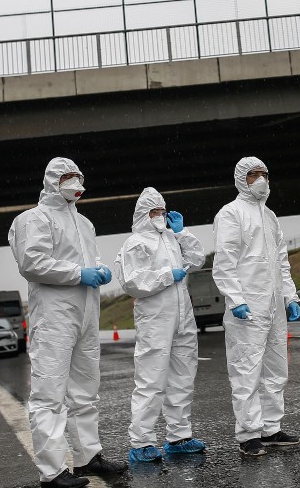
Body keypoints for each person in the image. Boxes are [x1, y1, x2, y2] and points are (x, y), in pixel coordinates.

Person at [8, 157, 128, 488]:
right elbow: (32, 263)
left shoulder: (85, 223)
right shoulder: (33, 219)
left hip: (86, 314)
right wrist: (79, 273)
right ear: (52, 181)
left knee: (86, 391)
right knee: (49, 394)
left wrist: (100, 269)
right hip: (54, 316)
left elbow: (90, 258)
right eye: (67, 177)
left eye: (78, 177)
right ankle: (52, 472)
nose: (75, 183)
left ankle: (88, 456)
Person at [213, 156, 300, 457]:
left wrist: (290, 296)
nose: (261, 180)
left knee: (277, 369)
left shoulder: (270, 216)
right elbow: (224, 262)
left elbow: (281, 261)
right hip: (248, 306)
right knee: (246, 370)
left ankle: (271, 427)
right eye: (254, 174)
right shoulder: (231, 213)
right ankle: (249, 433)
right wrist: (235, 299)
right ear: (241, 178)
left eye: (265, 174)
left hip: (274, 305)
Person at [115, 187, 208, 463]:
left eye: (162, 211)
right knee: (151, 379)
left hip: (183, 316)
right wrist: (168, 274)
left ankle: (179, 437)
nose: (159, 216)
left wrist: (182, 233)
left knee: (183, 377)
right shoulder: (135, 243)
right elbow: (133, 282)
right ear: (143, 214)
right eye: (154, 211)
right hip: (155, 319)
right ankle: (141, 442)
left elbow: (197, 260)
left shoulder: (171, 238)